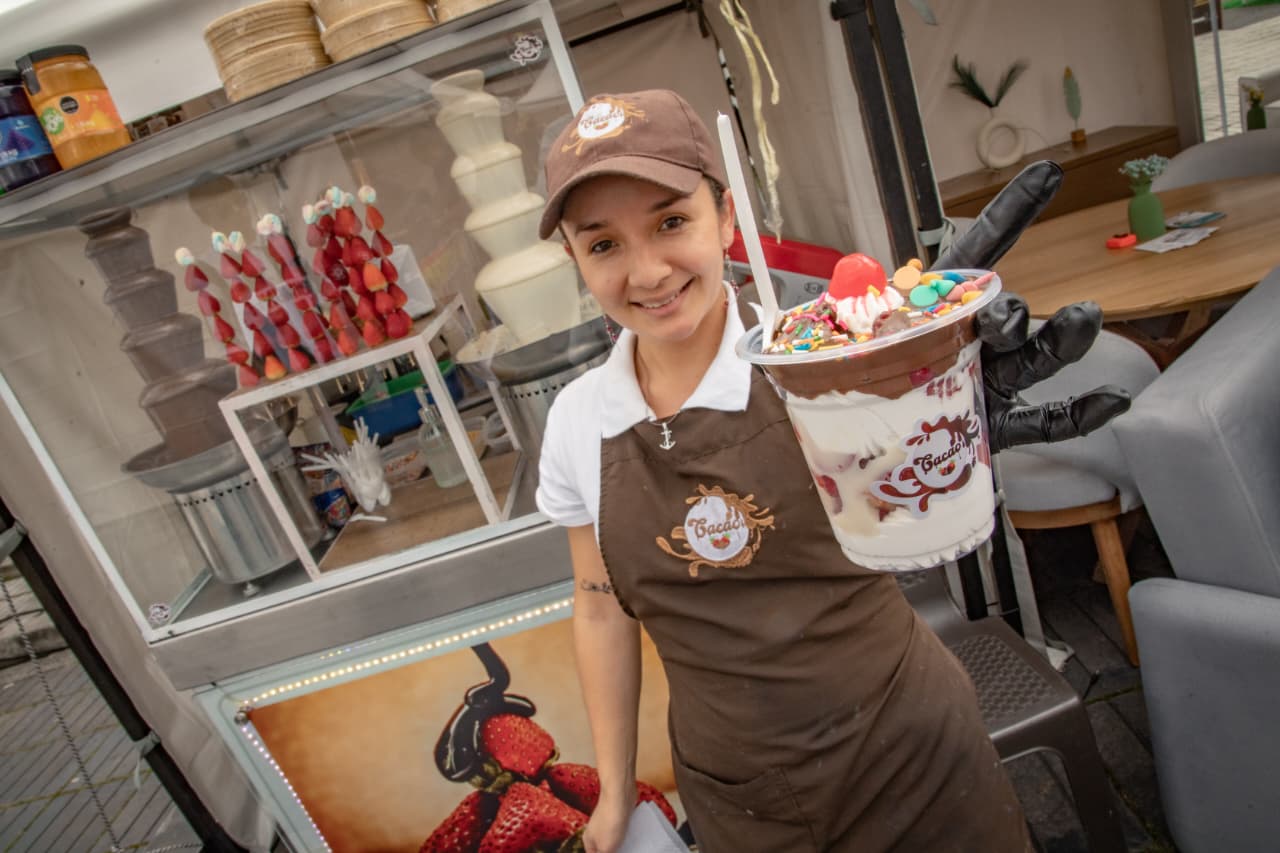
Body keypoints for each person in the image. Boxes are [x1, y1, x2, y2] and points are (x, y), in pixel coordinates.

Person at [534, 89, 1126, 853]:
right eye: (603, 244)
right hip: (742, 801)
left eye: (670, 221)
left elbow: (913, 510)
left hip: (910, 755)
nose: (646, 271)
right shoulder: (580, 422)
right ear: (575, 259)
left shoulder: (820, 360)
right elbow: (601, 608)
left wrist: (937, 410)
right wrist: (614, 792)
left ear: (724, 213)